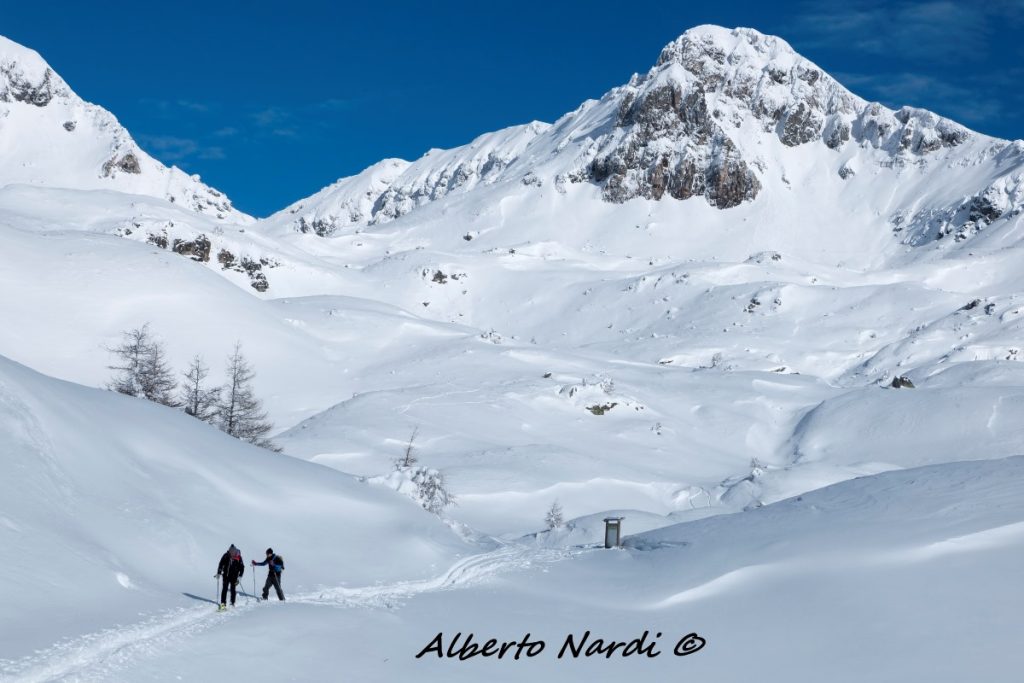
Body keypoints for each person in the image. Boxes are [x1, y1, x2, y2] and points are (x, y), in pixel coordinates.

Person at [215, 544, 245, 608]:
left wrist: (240, 576)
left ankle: (232, 602)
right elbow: (221, 564)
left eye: (232, 551)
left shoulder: (238, 557)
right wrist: (219, 573)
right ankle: (223, 603)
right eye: (230, 551)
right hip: (226, 575)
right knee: (224, 589)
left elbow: (242, 567)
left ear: (235, 551)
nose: (231, 553)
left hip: (234, 576)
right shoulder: (226, 555)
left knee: (233, 589)